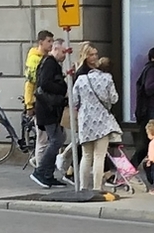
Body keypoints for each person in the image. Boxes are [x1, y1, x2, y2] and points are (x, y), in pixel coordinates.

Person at [71, 43, 120, 193]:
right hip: (102, 122)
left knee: (86, 156)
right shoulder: (107, 78)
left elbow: (74, 101)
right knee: (99, 156)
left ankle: (82, 187)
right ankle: (97, 188)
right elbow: (114, 98)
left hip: (85, 121)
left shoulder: (80, 79)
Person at [29, 31, 68, 187]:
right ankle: (40, 172)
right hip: (47, 109)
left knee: (58, 138)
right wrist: (61, 86)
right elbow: (44, 84)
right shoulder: (50, 63)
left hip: (49, 108)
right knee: (56, 140)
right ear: (56, 49)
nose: (65, 55)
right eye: (63, 52)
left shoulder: (51, 63)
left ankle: (48, 174)